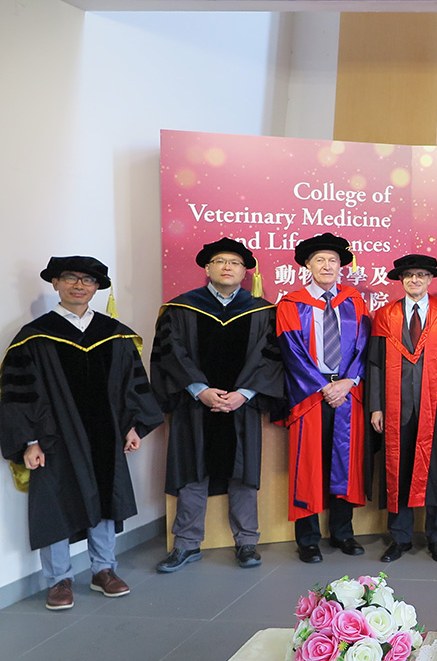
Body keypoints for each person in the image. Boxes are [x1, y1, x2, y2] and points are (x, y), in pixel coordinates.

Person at [0, 256, 163, 610]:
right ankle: (59, 579)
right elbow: (18, 394)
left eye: (87, 280)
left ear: (96, 287)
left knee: (106, 500)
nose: (79, 285)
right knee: (56, 504)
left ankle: (103, 569)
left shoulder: (115, 334)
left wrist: (134, 425)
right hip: (53, 439)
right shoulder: (34, 338)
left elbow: (133, 385)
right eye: (70, 278)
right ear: (56, 284)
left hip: (106, 435)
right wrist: (28, 441)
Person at [151, 237, 283, 573]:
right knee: (191, 473)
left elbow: (271, 358)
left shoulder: (263, 312)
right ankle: (186, 544)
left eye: (235, 263)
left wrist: (245, 393)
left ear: (244, 271)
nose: (227, 267)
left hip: (242, 407)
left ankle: (247, 542)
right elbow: (170, 353)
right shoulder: (180, 309)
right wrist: (199, 390)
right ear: (208, 268)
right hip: (194, 406)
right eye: (221, 262)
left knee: (243, 475)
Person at [276, 233, 371, 564]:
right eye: (320, 260)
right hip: (310, 396)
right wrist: (322, 386)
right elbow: (292, 352)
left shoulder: (354, 301)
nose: (327, 265)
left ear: (341, 266)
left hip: (347, 393)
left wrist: (348, 381)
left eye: (333, 260)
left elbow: (362, 345)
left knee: (344, 464)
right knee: (309, 466)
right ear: (307, 265)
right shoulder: (291, 304)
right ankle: (308, 539)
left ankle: (343, 533)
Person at [367, 253, 437, 563]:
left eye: (421, 275)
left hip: (435, 408)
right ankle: (400, 538)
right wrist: (376, 407)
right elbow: (375, 365)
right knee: (398, 470)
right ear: (401, 280)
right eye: (409, 276)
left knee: (436, 474)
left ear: (431, 279)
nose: (415, 280)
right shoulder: (385, 315)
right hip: (396, 408)